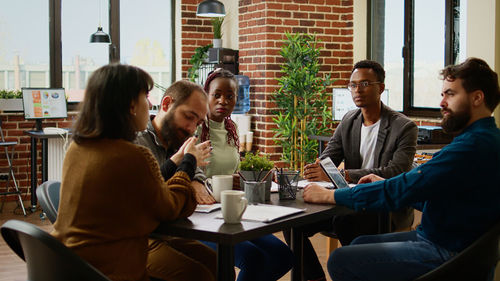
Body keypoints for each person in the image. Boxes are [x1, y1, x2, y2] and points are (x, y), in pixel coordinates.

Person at [303, 57, 500, 281]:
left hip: (446, 251)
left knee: (341, 259)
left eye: (451, 94)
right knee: (358, 243)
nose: (442, 102)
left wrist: (332, 195)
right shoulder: (488, 140)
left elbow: (402, 186)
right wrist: (382, 183)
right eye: (442, 94)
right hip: (455, 244)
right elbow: (430, 196)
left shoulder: (468, 148)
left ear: (477, 98)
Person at [52, 64, 216, 281]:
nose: (150, 103)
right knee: (199, 275)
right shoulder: (132, 154)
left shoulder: (77, 147)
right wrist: (188, 162)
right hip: (105, 263)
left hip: (67, 258)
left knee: (212, 259)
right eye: (145, 96)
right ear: (130, 105)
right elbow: (170, 207)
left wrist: (182, 162)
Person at [284, 60, 418, 281]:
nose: (357, 90)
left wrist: (344, 175)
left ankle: (357, 272)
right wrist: (319, 168)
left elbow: (395, 172)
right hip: (348, 202)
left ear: (381, 88)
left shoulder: (403, 127)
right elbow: (330, 157)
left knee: (346, 221)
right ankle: (315, 277)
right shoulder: (349, 119)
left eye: (364, 83)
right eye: (353, 85)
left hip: (384, 207)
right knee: (293, 221)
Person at [197, 68, 294, 281]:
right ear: (206, 95)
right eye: (217, 95)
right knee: (253, 258)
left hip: (231, 212)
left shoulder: (231, 129)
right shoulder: (196, 128)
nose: (223, 100)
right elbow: (189, 173)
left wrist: (256, 175)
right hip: (202, 217)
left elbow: (234, 170)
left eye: (230, 96)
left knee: (284, 256)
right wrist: (220, 183)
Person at [135, 80, 216, 205]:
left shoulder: (178, 139)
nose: (192, 129)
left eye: (198, 123)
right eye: (188, 117)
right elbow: (144, 192)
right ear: (166, 104)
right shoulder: (136, 142)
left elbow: (197, 171)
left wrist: (196, 181)